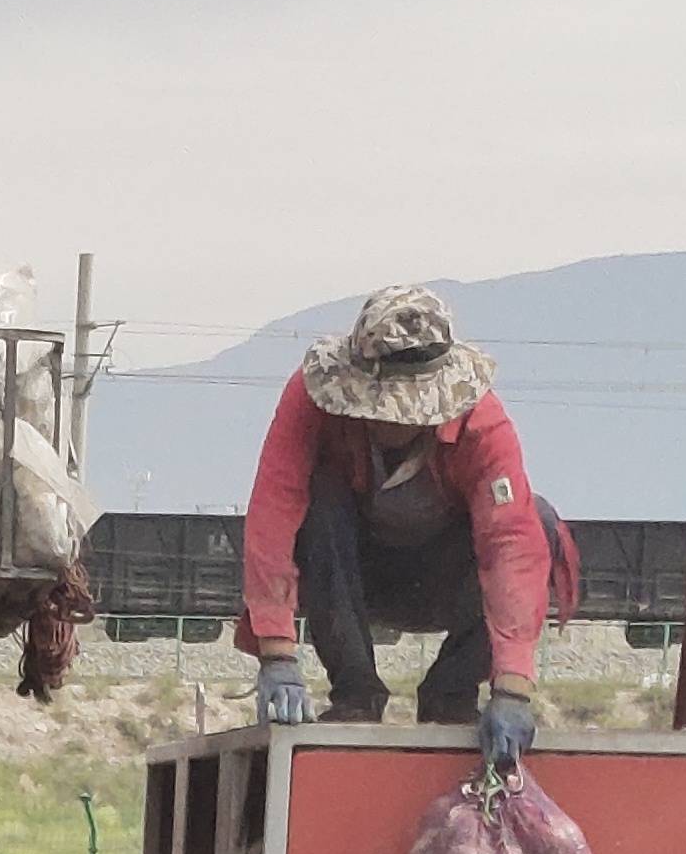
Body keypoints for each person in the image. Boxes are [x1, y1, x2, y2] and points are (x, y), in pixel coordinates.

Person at [238, 284, 560, 737]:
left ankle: (451, 694)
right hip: (348, 575)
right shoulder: (309, 399)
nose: (390, 421)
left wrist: (512, 689)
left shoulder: (483, 425)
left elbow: (512, 545)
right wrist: (277, 653)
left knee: (539, 522)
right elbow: (274, 510)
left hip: (447, 579)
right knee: (320, 501)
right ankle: (355, 694)